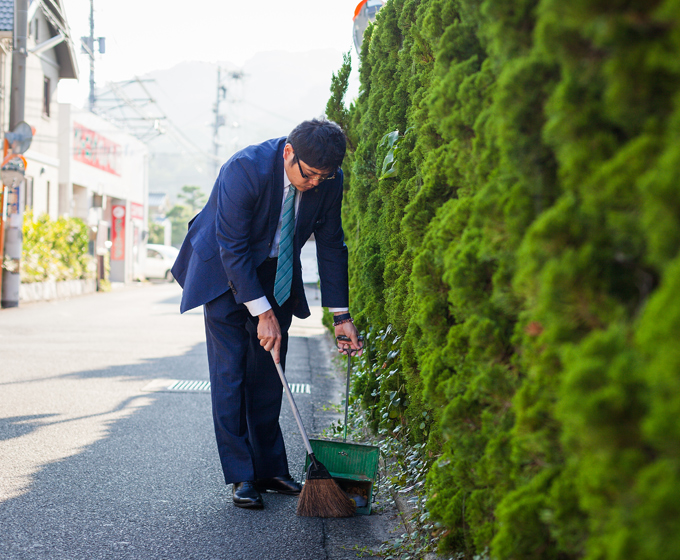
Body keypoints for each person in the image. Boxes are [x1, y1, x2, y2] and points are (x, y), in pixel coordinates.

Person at [171, 118, 362, 509]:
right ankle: (242, 475)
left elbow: (331, 244)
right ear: (289, 153)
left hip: (278, 270)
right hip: (224, 270)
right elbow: (233, 246)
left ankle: (270, 469)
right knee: (231, 373)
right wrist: (262, 312)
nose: (314, 184)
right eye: (309, 175)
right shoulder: (245, 168)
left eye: (323, 178)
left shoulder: (328, 180)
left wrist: (341, 316)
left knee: (270, 368)